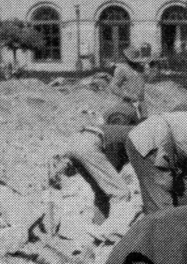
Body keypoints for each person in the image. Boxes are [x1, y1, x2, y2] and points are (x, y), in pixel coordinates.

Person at [52, 99, 145, 238]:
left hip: (76, 142)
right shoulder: (139, 134)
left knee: (101, 192)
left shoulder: (121, 131)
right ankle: (112, 234)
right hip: (90, 144)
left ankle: (96, 229)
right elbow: (118, 162)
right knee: (121, 193)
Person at [106, 44, 157, 116]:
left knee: (143, 123)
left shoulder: (140, 69)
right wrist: (125, 95)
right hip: (127, 103)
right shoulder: (122, 69)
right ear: (127, 59)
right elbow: (113, 86)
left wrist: (153, 67)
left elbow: (149, 79)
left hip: (141, 103)